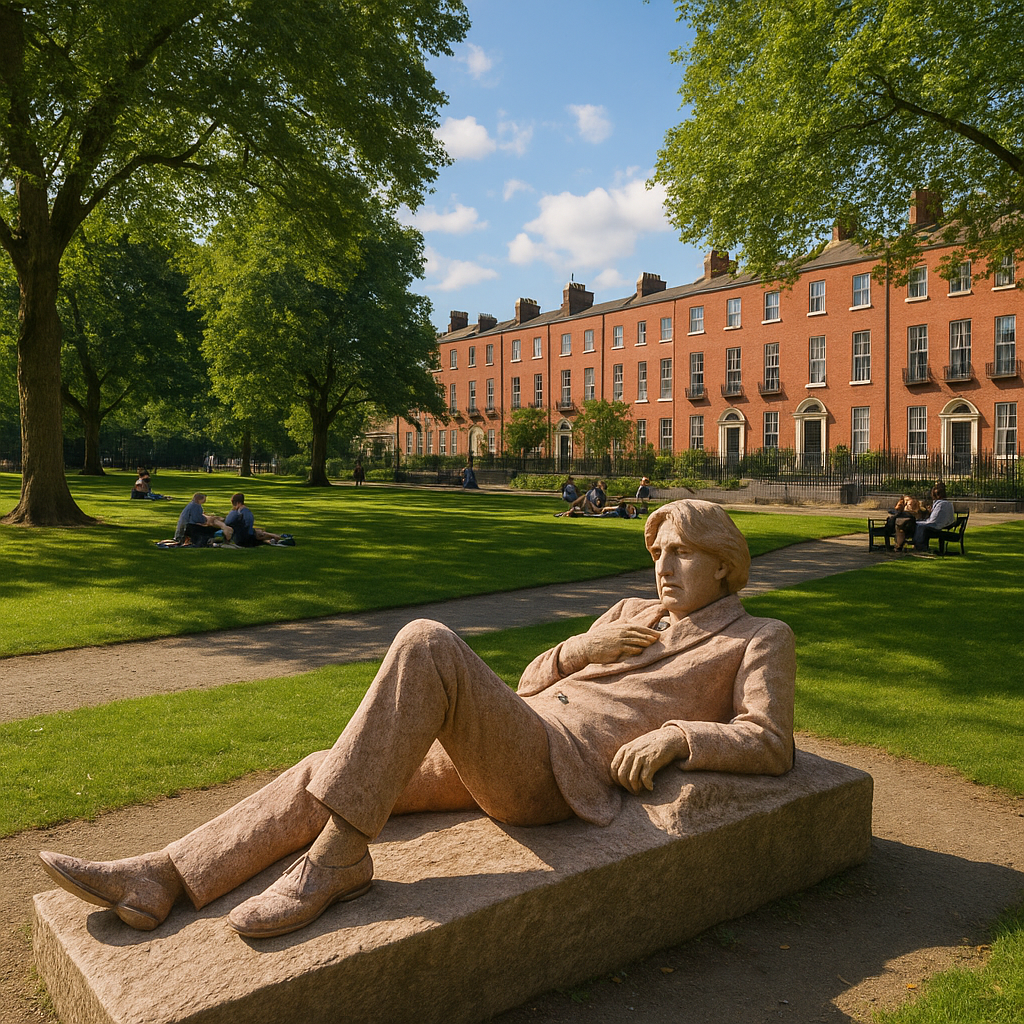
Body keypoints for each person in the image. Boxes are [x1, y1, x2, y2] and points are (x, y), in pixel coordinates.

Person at [38, 500, 794, 940]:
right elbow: (529, 681)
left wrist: (680, 736)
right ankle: (161, 876)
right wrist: (578, 646)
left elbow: (769, 740)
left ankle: (338, 862)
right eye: (658, 552)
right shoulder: (629, 610)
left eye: (684, 555)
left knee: (427, 641)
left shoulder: (755, 639)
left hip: (556, 776)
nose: (663, 569)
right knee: (327, 767)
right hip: (517, 735)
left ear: (725, 566)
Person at [912, 481, 955, 554]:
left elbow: (933, 521)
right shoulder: (949, 504)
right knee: (919, 523)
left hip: (936, 527)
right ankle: (919, 544)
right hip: (945, 525)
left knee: (916, 524)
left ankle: (918, 544)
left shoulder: (940, 504)